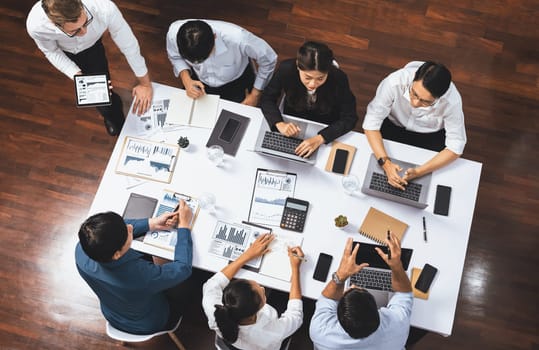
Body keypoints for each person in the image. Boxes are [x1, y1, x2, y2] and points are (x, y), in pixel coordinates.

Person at [26, 0, 153, 136]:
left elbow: (129, 46)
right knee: (99, 99)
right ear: (53, 24)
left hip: (93, 48)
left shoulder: (104, 8)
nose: (84, 31)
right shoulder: (36, 25)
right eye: (74, 31)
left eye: (86, 22)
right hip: (67, 53)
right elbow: (51, 51)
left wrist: (145, 84)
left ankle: (113, 108)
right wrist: (78, 76)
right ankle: (110, 116)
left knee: (104, 95)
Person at [75, 200, 193, 335]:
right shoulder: (141, 276)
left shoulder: (82, 250)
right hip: (151, 321)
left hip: (113, 313)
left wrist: (152, 223)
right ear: (117, 254)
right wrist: (184, 226)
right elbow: (183, 268)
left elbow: (117, 229)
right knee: (191, 284)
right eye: (127, 233)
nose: (130, 227)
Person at [362, 61, 466, 189]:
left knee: (425, 186)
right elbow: (372, 121)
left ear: (439, 97)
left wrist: (419, 172)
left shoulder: (452, 102)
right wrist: (385, 163)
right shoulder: (395, 82)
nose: (415, 103)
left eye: (425, 101)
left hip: (429, 136)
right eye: (414, 94)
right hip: (394, 126)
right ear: (413, 79)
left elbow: (456, 146)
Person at [202, 233, 304, 350]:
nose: (263, 288)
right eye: (262, 294)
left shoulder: (214, 310)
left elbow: (212, 284)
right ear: (253, 316)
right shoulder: (269, 333)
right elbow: (296, 315)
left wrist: (248, 254)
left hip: (230, 345)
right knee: (281, 296)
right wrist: (296, 269)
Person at [309, 237, 413, 350]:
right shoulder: (398, 325)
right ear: (377, 309)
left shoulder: (320, 332)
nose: (354, 286)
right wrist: (396, 265)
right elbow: (404, 292)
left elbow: (327, 299)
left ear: (338, 316)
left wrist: (340, 275)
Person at [260, 41, 358, 158]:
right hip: (293, 118)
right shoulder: (285, 69)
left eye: (320, 78)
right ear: (298, 65)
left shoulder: (339, 78)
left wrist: (321, 138)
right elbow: (267, 98)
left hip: (325, 122)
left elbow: (350, 117)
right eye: (307, 77)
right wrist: (279, 123)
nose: (313, 84)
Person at [166, 19, 277, 106]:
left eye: (202, 59)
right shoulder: (174, 33)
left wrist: (255, 95)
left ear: (214, 37)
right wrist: (186, 80)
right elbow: (175, 56)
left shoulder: (238, 38)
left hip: (237, 83)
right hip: (199, 81)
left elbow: (269, 59)